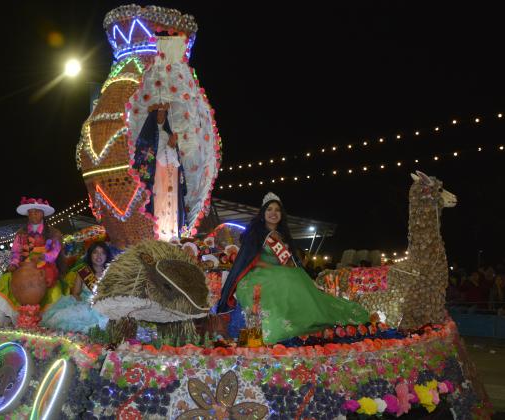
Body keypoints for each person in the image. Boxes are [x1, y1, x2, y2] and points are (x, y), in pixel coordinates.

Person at [216, 193, 369, 343]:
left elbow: (290, 260)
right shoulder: (255, 233)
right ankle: (272, 330)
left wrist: (290, 266)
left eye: (277, 210)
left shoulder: (284, 235)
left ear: (281, 214)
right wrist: (274, 267)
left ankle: (311, 321)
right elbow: (249, 259)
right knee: (285, 277)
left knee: (297, 275)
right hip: (258, 274)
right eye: (269, 209)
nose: (273, 213)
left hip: (280, 273)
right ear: (263, 213)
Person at [0, 197, 64, 323]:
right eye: (31, 212)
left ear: (42, 213)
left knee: (53, 288)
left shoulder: (54, 232)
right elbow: (15, 252)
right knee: (6, 280)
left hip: (46, 267)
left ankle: (47, 320)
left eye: (37, 211)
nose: (33, 214)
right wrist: (14, 264)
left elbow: (55, 252)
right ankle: (12, 317)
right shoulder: (21, 233)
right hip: (25, 267)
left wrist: (42, 257)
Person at [133, 104, 187, 241]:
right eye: (158, 114)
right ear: (153, 115)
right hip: (157, 172)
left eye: (163, 114)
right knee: (159, 199)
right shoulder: (148, 135)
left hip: (172, 171)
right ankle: (158, 234)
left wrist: (172, 146)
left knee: (172, 200)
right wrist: (169, 146)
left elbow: (176, 157)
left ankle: (172, 233)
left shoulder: (169, 133)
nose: (161, 117)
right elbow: (146, 157)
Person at [41, 242, 111, 333]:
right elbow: (75, 294)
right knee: (60, 318)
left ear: (106, 256)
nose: (99, 256)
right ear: (90, 255)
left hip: (105, 308)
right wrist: (85, 306)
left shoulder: (111, 273)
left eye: (102, 253)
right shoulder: (83, 272)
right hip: (85, 305)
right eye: (95, 252)